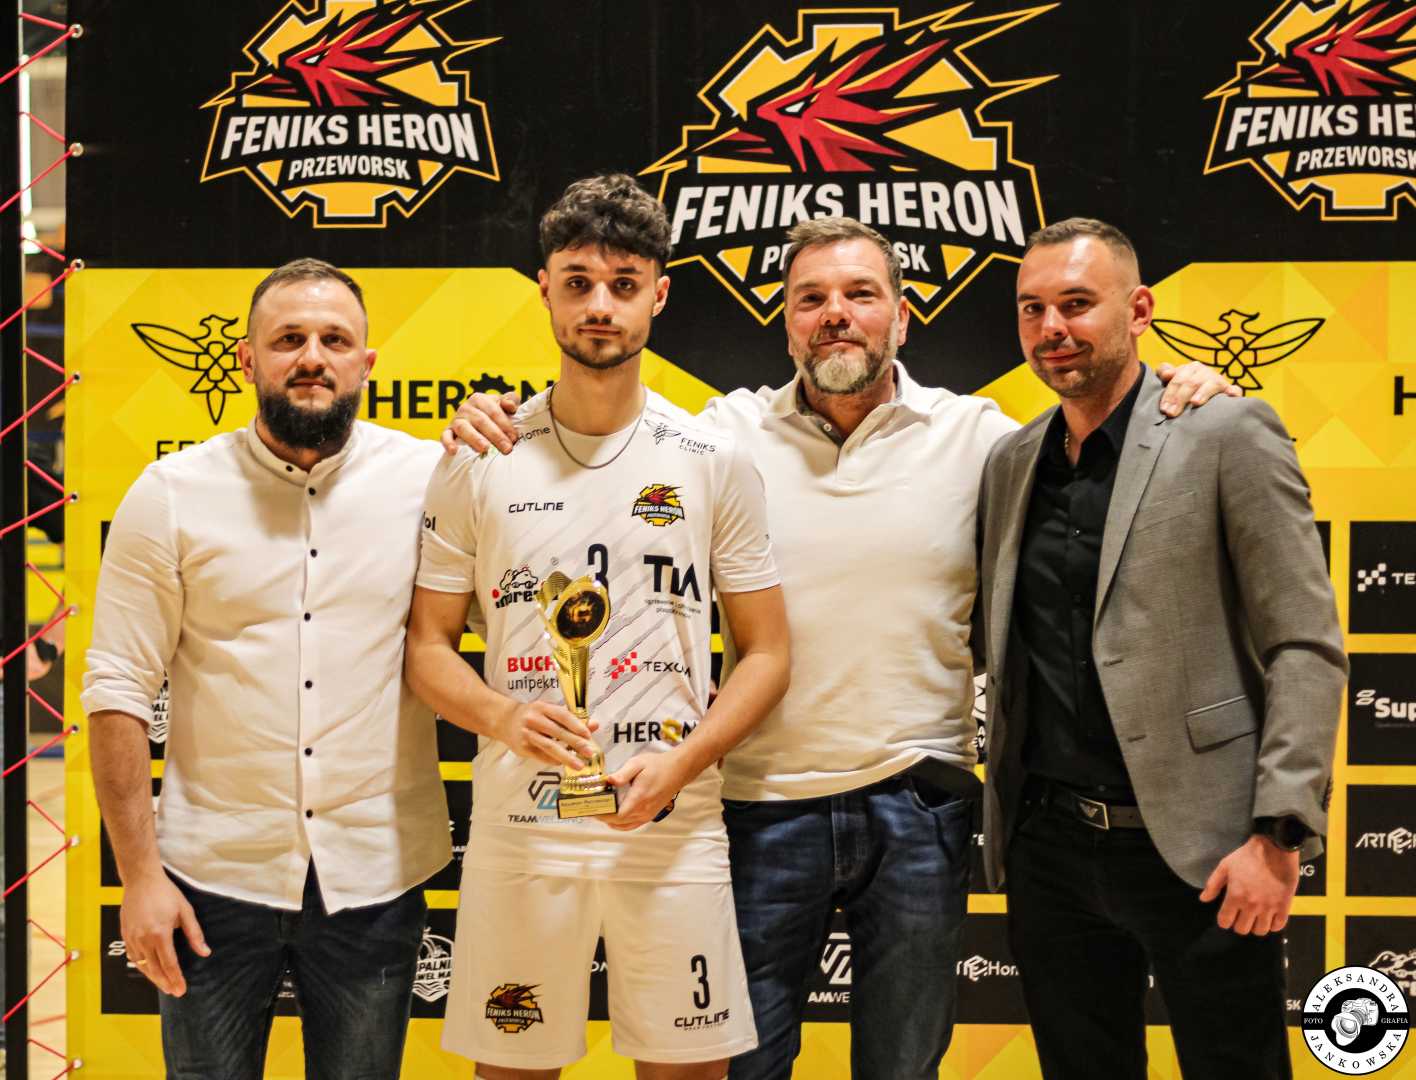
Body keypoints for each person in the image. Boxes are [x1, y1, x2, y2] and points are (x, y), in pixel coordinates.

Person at [446, 215, 1233, 1079]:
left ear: (902, 315)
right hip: (759, 807)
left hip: (920, 805)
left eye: (861, 294)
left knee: (903, 1070)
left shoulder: (980, 437)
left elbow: (1104, 430)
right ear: (786, 323)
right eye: (810, 298)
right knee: (746, 1069)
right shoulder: (719, 436)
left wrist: (1185, 384)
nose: (835, 314)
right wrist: (493, 414)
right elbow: (601, 425)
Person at [403, 174, 791, 1080]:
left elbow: (769, 653)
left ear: (660, 294)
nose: (600, 306)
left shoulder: (713, 459)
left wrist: (685, 763)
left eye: (623, 284)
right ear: (544, 289)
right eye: (577, 282)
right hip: (521, 827)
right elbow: (426, 649)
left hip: (674, 825)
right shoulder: (479, 457)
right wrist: (502, 717)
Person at [975, 218, 1345, 1079]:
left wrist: (1279, 835)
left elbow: (1304, 643)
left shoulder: (1226, 432)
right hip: (1050, 852)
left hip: (1206, 850)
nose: (1052, 328)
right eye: (1032, 309)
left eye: (1077, 303)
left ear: (1139, 310)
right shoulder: (1010, 460)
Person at [82, 259, 452, 1080]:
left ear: (366, 363)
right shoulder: (170, 493)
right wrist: (138, 879)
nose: (312, 357)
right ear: (248, 360)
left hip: (376, 879)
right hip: (208, 883)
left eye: (334, 340)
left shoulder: (433, 482)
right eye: (288, 339)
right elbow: (116, 691)